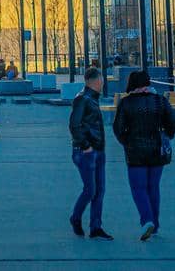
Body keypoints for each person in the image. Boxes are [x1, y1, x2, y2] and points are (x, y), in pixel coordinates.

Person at [112, 69, 175, 241]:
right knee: (153, 187)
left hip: (135, 151)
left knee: (138, 188)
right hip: (157, 150)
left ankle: (146, 219)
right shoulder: (160, 100)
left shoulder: (126, 103)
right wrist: (167, 135)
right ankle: (155, 224)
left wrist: (126, 141)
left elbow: (118, 128)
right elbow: (173, 122)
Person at [68, 66, 112, 240]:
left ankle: (96, 227)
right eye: (101, 79)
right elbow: (74, 125)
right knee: (91, 189)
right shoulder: (83, 99)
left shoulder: (91, 99)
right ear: (96, 81)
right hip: (87, 152)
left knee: (99, 190)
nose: (103, 83)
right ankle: (76, 217)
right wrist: (85, 145)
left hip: (97, 150)